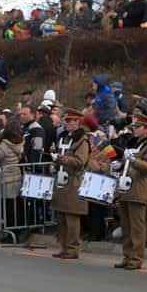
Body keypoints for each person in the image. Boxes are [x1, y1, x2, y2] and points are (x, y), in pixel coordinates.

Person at [114, 114, 147, 271]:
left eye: (137, 127)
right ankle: (127, 256)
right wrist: (118, 164)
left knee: (137, 226)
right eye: (133, 127)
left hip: (139, 188)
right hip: (125, 187)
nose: (134, 130)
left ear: (146, 129)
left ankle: (136, 257)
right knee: (126, 225)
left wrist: (133, 160)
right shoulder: (132, 143)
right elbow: (126, 161)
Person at [50, 108, 91, 259]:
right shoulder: (63, 138)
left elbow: (80, 162)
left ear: (77, 122)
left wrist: (60, 159)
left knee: (71, 217)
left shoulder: (82, 140)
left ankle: (72, 248)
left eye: (69, 121)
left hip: (74, 182)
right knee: (61, 216)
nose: (66, 123)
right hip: (61, 181)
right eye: (65, 120)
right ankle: (64, 246)